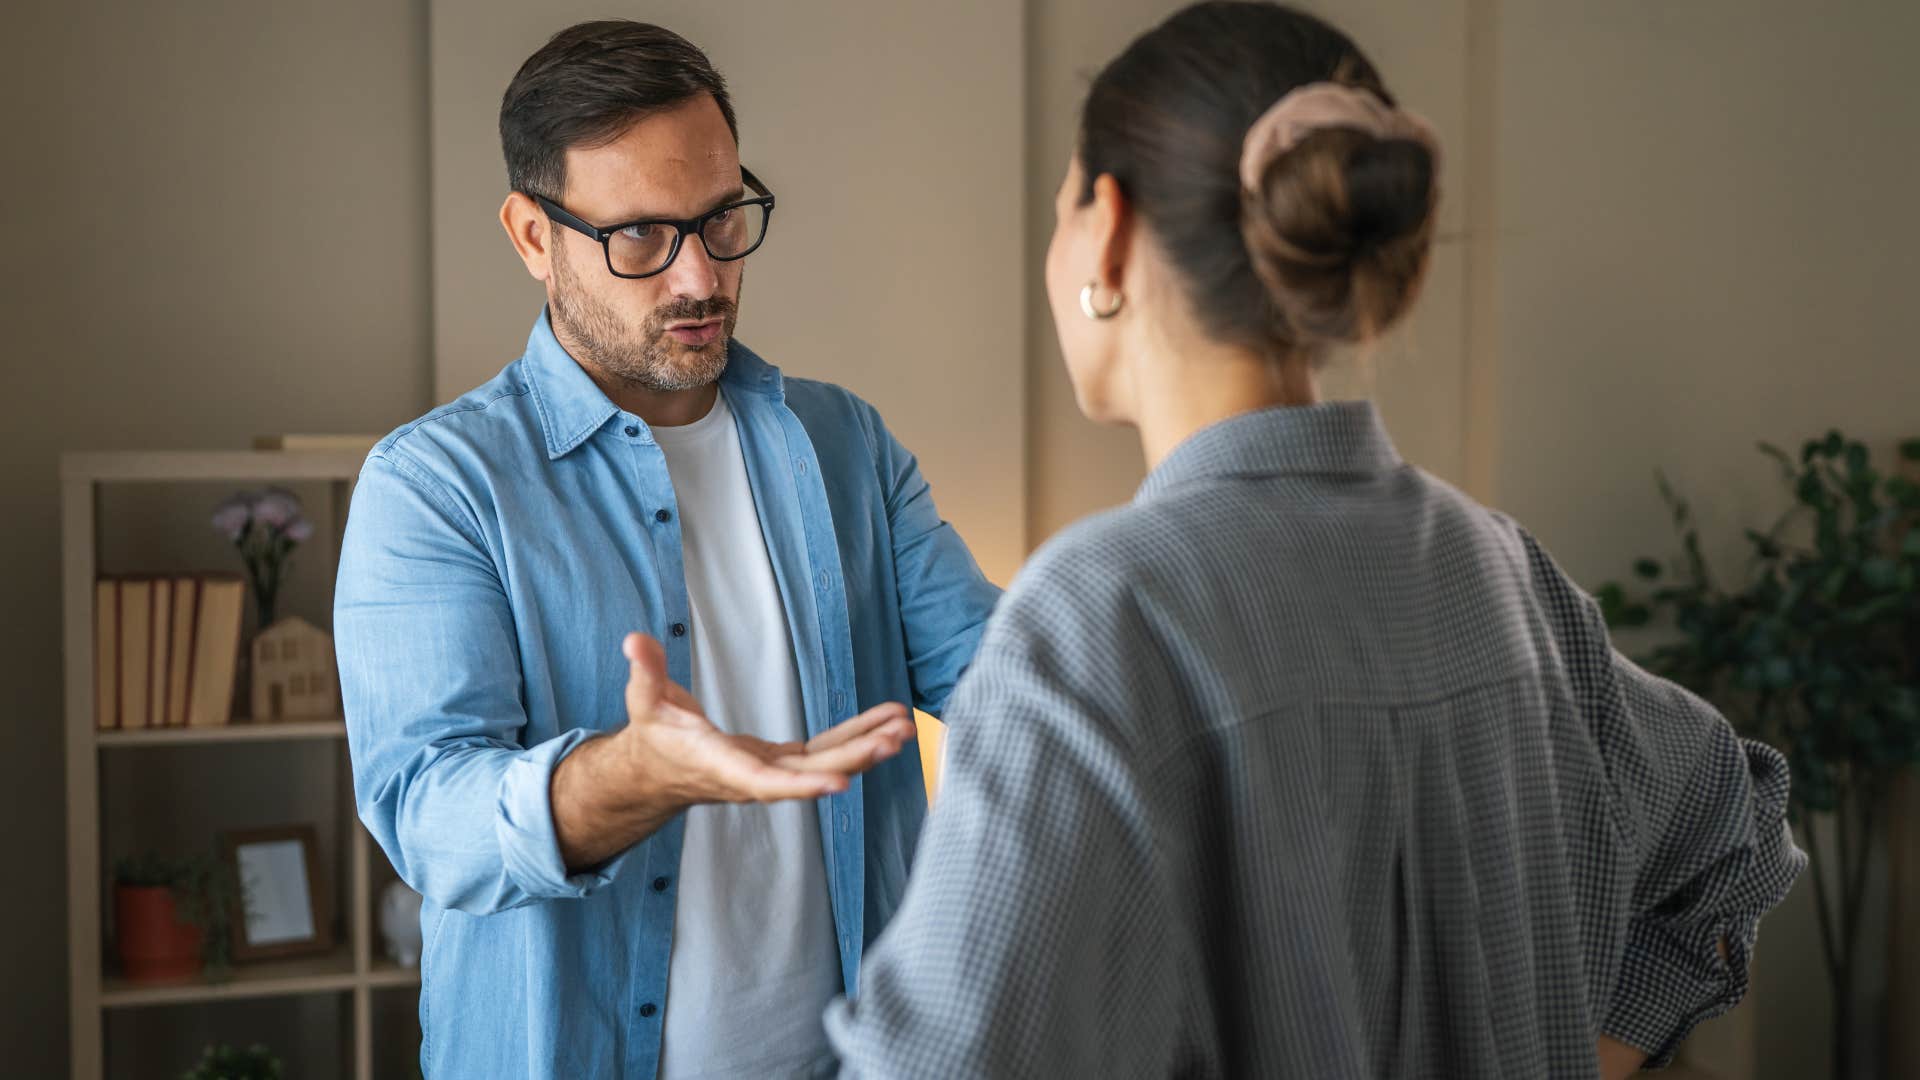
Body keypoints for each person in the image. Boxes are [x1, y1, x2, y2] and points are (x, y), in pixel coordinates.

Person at [824, 3, 1803, 1077]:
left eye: (1060, 208)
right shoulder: (1506, 574)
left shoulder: (1099, 616)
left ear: (1105, 227)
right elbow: (1734, 828)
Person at [333, 20, 1000, 1079]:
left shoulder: (846, 446)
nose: (699, 277)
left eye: (721, 219)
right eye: (639, 235)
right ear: (530, 234)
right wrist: (629, 779)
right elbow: (430, 814)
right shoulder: (436, 485)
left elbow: (1000, 678)